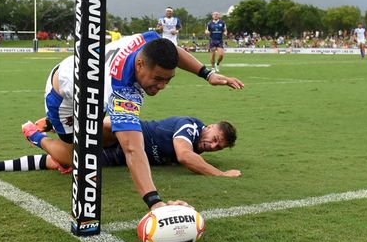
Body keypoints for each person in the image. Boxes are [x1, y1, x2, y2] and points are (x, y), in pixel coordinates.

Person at [21, 31, 244, 210]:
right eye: (158, 78)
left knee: (104, 139)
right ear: (139, 66)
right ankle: (36, 135)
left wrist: (207, 74)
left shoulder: (150, 41)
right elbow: (133, 150)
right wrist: (154, 202)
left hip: (90, 85)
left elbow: (173, 50)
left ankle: (54, 123)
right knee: (77, 156)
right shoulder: (121, 91)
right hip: (64, 96)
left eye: (168, 79)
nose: (163, 86)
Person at [0, 116, 241, 178]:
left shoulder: (198, 144)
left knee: (66, 161)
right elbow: (184, 156)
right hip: (126, 134)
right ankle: (55, 124)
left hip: (122, 156)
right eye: (215, 138)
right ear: (209, 127)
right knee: (105, 125)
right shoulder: (192, 127)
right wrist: (220, 173)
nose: (212, 145)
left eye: (217, 147)